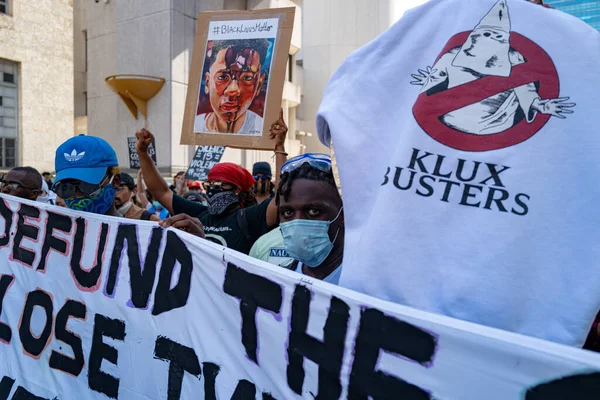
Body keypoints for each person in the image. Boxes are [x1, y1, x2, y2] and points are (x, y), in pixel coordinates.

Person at [315, 0, 600, 347]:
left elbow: (338, 111)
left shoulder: (422, 26)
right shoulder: (587, 50)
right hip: (518, 344)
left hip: (382, 323)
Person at [139, 111, 289, 254]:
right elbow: (161, 192)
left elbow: (281, 200)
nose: (211, 190)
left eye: (218, 185)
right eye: (208, 185)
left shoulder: (249, 218)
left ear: (236, 189)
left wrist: (280, 147)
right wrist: (143, 154)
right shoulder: (198, 214)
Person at [275, 154, 344, 283]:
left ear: (343, 215)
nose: (297, 223)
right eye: (288, 212)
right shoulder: (279, 282)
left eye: (313, 211)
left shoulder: (367, 288)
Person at [194, 39, 269, 135]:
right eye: (222, 77)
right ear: (208, 82)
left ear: (258, 85)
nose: (233, 90)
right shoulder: (195, 127)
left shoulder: (265, 130)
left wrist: (279, 146)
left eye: (246, 77)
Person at [52, 134, 121, 216]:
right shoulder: (51, 228)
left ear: (115, 181)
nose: (77, 195)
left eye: (87, 186)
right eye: (66, 188)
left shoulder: (133, 228)